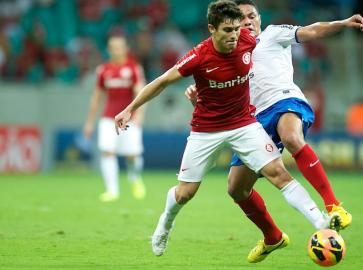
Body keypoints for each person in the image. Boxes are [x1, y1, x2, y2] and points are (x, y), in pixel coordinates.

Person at [115, 1, 333, 263]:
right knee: (186, 193)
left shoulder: (248, 40)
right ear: (212, 29)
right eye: (228, 30)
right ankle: (165, 222)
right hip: (206, 130)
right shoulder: (198, 56)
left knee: (278, 173)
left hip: (243, 124)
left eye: (237, 29)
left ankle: (322, 224)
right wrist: (130, 108)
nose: (234, 36)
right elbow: (161, 82)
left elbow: (303, 34)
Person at [186, 0, 363, 231]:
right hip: (251, 122)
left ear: (260, 19)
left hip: (284, 101)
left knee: (291, 137)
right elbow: (217, 101)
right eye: (241, 18)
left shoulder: (273, 34)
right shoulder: (227, 55)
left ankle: (333, 205)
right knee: (236, 188)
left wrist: (342, 23)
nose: (248, 20)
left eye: (252, 15)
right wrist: (197, 98)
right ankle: (273, 237)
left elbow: (310, 30)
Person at [83, 36, 146, 202]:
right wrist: (89, 123)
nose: (117, 50)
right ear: (109, 50)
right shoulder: (103, 70)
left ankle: (135, 178)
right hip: (108, 118)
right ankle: (112, 190)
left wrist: (139, 116)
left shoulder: (134, 68)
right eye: (113, 47)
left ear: (126, 48)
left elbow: (141, 94)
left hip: (128, 119)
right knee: (107, 151)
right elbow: (97, 97)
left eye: (120, 47)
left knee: (132, 155)